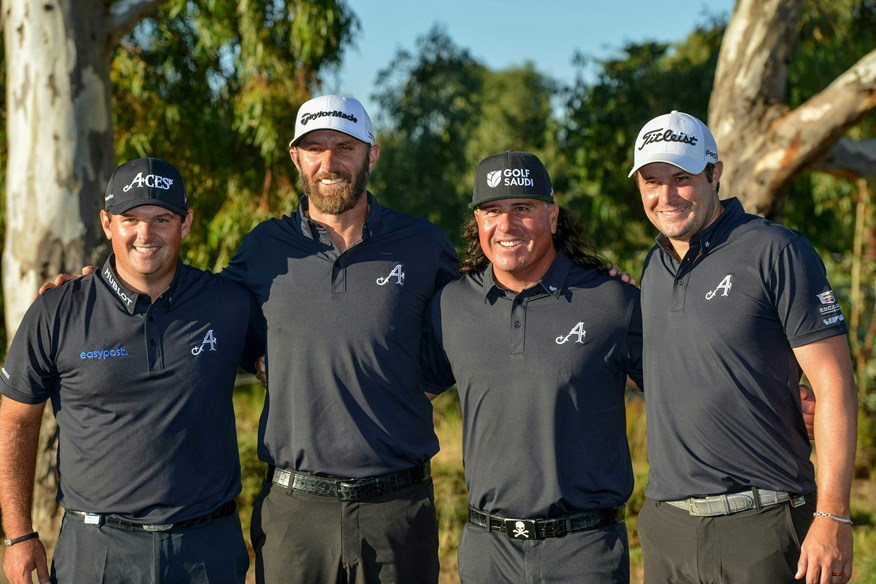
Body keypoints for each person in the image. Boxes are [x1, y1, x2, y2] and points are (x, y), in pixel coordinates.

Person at [223, 95, 459, 584]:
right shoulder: (263, 248)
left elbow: (482, 314)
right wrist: (92, 287)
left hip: (397, 508)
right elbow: (197, 307)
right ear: (297, 159)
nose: (329, 162)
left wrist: (586, 273)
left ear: (371, 154)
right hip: (295, 512)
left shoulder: (422, 244)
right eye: (314, 148)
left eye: (344, 147)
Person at [0, 157, 262, 584]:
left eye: (162, 218)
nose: (146, 234)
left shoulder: (228, 304)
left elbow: (295, 358)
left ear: (186, 223)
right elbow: (15, 420)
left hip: (206, 550)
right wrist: (18, 535)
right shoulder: (58, 310)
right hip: (97, 551)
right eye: (130, 219)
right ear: (107, 223)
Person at [629, 111, 857, 583]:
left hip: (761, 526)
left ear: (715, 173)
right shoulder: (653, 267)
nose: (665, 196)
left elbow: (834, 387)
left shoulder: (777, 251)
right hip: (667, 529)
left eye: (681, 178)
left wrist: (832, 517)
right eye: (651, 181)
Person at [423, 151, 643, 582]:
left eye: (522, 208)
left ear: (553, 216)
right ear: (478, 221)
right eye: (492, 211)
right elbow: (404, 392)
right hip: (488, 552)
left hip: (584, 551)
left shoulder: (610, 301)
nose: (506, 226)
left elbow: (683, 386)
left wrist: (789, 403)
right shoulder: (452, 305)